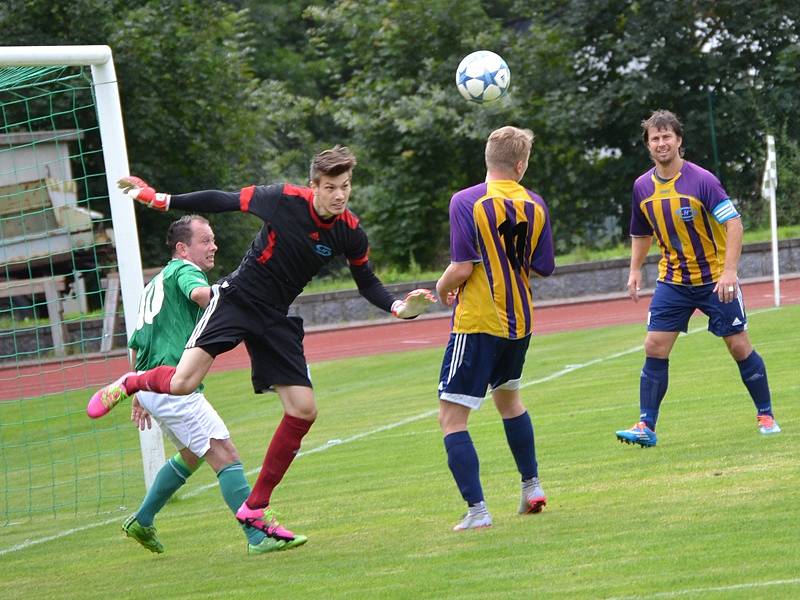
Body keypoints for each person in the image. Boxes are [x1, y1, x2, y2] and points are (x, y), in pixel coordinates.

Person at [87, 145, 435, 545]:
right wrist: (160, 198)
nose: (340, 195)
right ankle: (132, 383)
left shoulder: (350, 232)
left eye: (346, 186)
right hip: (237, 299)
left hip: (275, 317)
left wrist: (398, 307)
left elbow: (367, 282)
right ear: (313, 187)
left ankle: (254, 507)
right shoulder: (284, 199)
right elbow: (222, 200)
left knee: (304, 410)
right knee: (183, 383)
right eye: (331, 187)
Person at [107, 215, 290, 555]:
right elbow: (202, 295)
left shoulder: (156, 282)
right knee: (226, 454)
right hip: (172, 383)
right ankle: (257, 536)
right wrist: (235, 294)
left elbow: (137, 340)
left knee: (191, 455)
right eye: (205, 240)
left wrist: (136, 391)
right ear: (182, 248)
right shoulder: (184, 272)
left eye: (213, 239)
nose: (213, 246)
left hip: (150, 383)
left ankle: (142, 521)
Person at [615, 109, 781, 448]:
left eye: (667, 137)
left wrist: (729, 272)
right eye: (655, 138)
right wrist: (635, 269)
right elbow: (641, 233)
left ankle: (766, 413)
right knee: (654, 346)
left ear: (679, 141)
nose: (661, 143)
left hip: (715, 280)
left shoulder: (701, 180)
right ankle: (646, 425)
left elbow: (734, 224)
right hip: (673, 281)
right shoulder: (641, 187)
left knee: (738, 345)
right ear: (648, 145)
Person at [435, 126, 555, 531]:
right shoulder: (535, 204)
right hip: (520, 322)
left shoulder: (466, 201)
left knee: (452, 418)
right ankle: (532, 487)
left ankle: (477, 510)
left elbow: (462, 267)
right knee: (510, 401)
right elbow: (542, 266)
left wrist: (440, 289)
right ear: (520, 165)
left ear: (488, 159)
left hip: (478, 322)